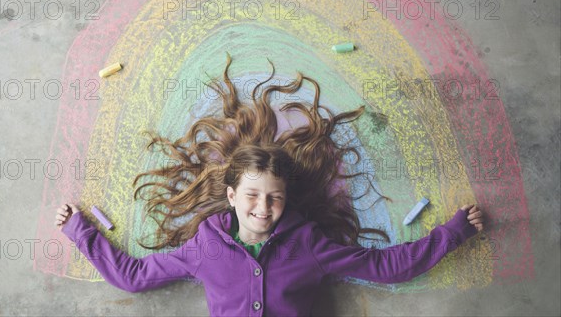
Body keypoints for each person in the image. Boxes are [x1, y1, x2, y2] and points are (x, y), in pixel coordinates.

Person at [56, 53, 484, 316]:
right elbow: (133, 276)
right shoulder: (205, 248)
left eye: (274, 198)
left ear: (286, 199)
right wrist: (80, 230)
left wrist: (453, 232)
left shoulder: (311, 244)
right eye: (252, 196)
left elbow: (388, 267)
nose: (263, 207)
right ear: (231, 197)